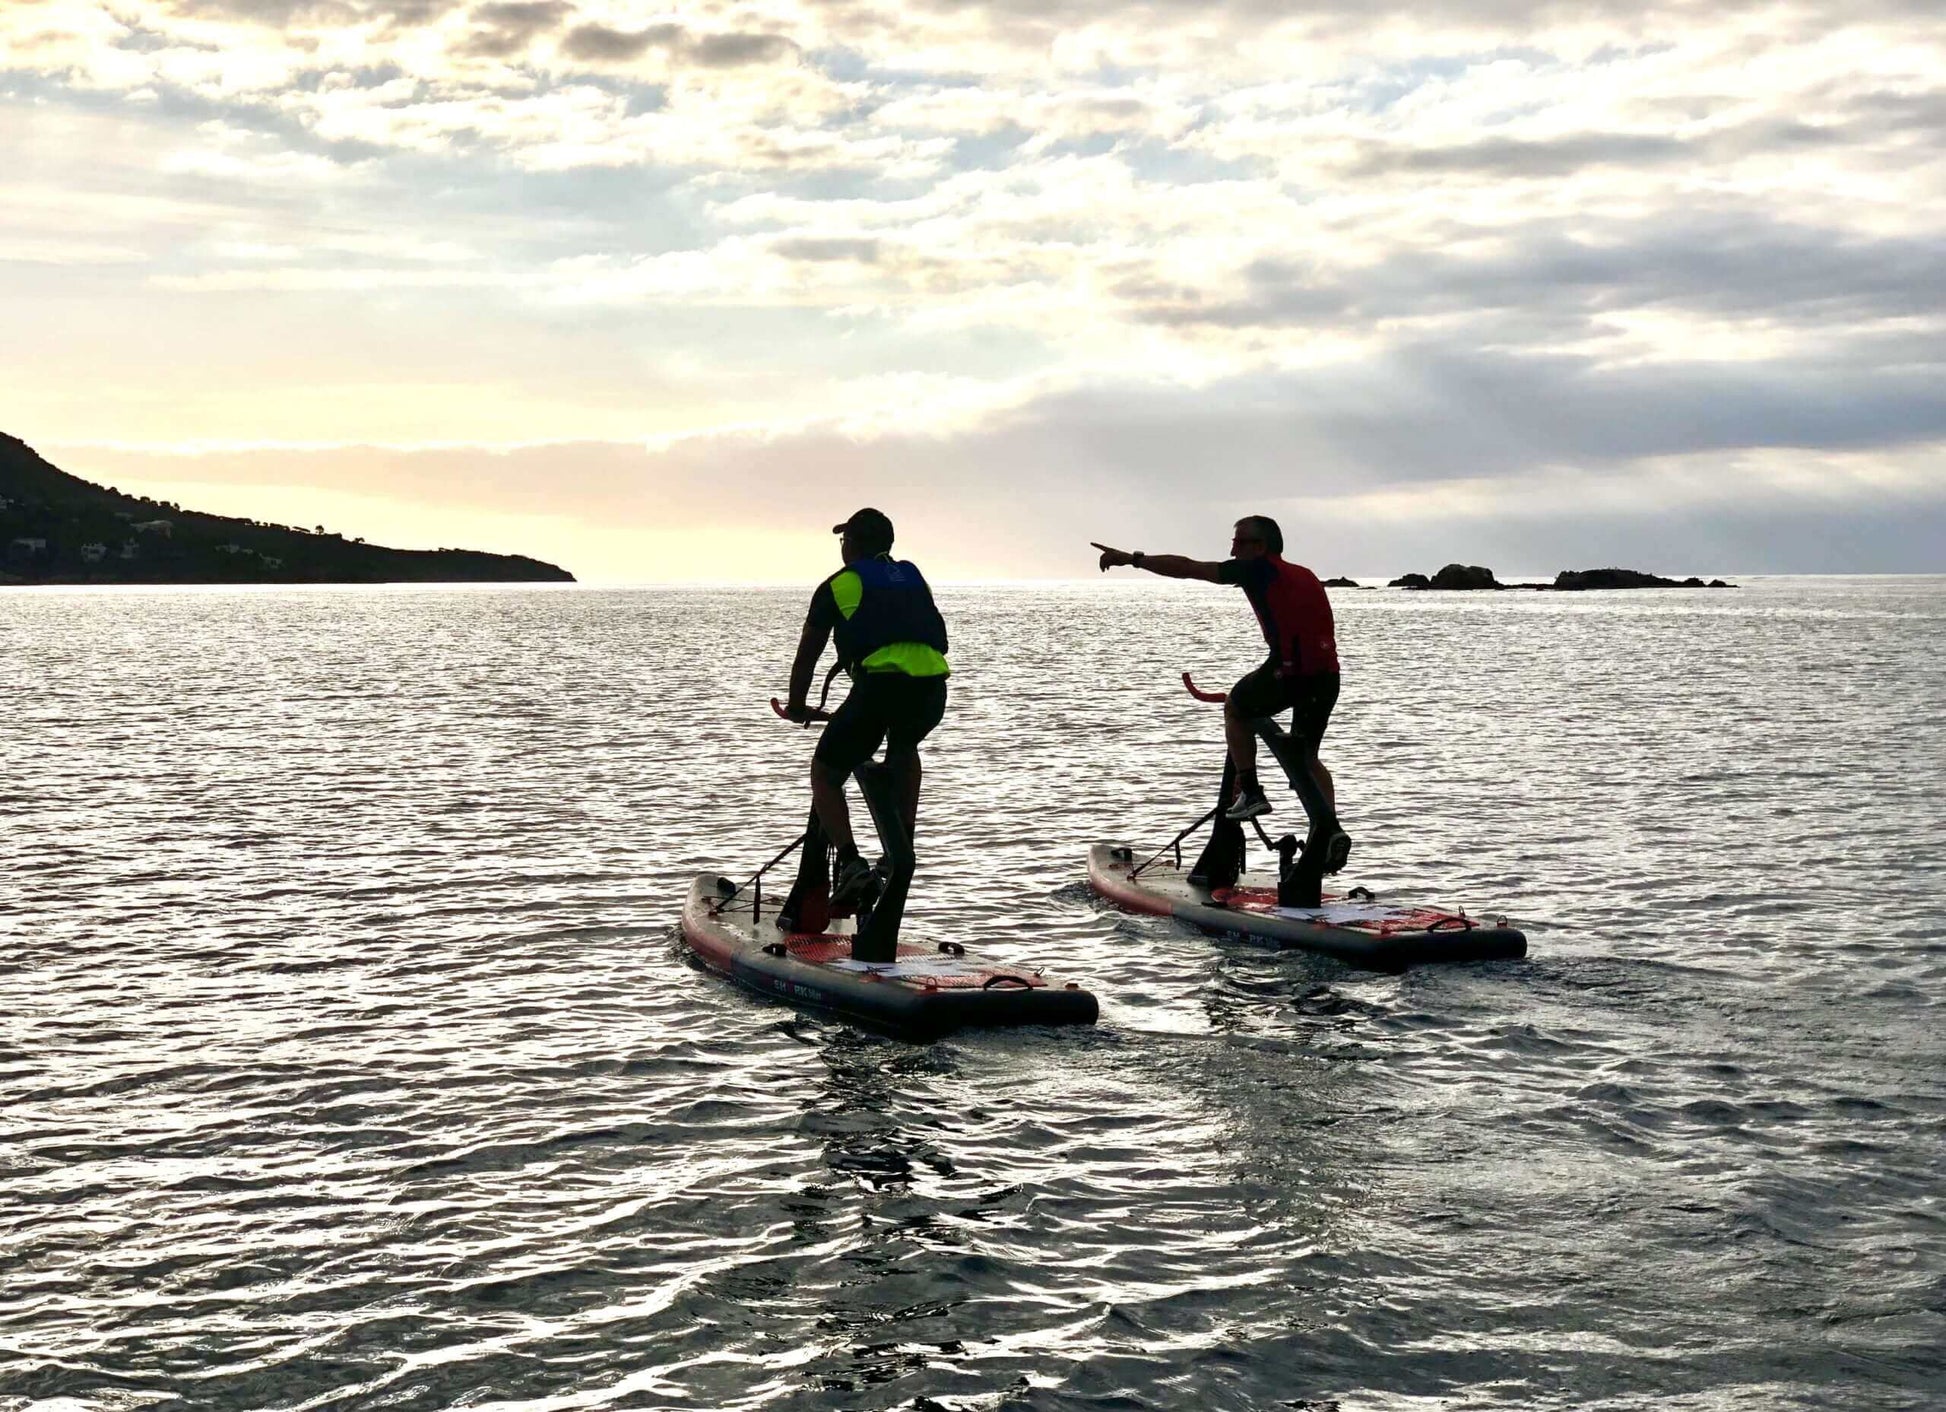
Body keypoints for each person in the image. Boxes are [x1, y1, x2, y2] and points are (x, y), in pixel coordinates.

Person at [1092, 516, 1346, 858]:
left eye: (1240, 543)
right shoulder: (1302, 573)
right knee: (1306, 757)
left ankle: (1252, 792)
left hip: (1290, 672)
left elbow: (1188, 568)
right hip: (1326, 676)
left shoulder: (1258, 570)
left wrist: (1133, 559)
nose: (1232, 549)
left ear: (1260, 547)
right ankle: (1329, 834)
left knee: (1236, 707)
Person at [784, 508, 951, 902]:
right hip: (931, 691)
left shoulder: (839, 585)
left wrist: (796, 706)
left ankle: (851, 864)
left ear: (853, 545)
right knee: (904, 747)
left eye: (844, 540)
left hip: (880, 690)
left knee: (825, 772)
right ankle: (899, 851)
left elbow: (807, 656)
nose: (842, 547)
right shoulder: (913, 576)